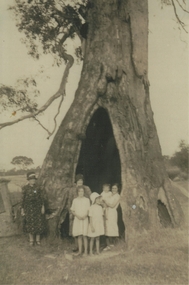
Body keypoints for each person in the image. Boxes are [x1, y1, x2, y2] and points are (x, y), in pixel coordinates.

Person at [21, 171, 46, 246]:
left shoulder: (38, 188)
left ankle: (38, 240)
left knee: (38, 223)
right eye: (31, 180)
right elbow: (22, 199)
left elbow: (42, 198)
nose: (33, 181)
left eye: (34, 179)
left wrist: (42, 207)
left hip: (37, 208)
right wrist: (22, 210)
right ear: (28, 180)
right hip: (28, 208)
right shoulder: (25, 188)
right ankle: (31, 240)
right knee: (29, 223)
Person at [68, 174, 91, 251]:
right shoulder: (72, 190)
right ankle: (77, 247)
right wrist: (71, 213)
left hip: (85, 212)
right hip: (75, 212)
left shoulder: (86, 188)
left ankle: (85, 248)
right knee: (75, 231)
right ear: (76, 182)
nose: (80, 182)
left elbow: (90, 199)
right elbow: (69, 202)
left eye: (81, 181)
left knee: (85, 231)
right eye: (78, 181)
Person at [70, 185, 90, 256]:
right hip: (78, 219)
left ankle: (85, 252)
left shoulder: (87, 200)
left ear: (84, 192)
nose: (81, 193)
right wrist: (78, 216)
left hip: (84, 219)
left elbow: (88, 210)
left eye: (82, 191)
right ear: (77, 192)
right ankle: (80, 251)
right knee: (79, 236)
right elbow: (72, 210)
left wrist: (85, 215)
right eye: (79, 191)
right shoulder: (75, 200)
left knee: (84, 235)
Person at [103, 183, 120, 251]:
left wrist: (105, 202)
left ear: (118, 189)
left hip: (113, 212)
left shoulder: (117, 196)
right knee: (107, 227)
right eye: (113, 188)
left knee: (112, 227)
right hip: (107, 211)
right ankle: (108, 245)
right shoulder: (110, 195)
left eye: (115, 188)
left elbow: (112, 205)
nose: (114, 190)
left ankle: (113, 244)